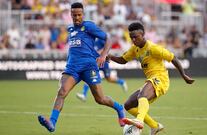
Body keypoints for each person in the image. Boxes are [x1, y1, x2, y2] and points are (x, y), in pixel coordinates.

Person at [37, 2, 125, 133]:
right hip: (72, 67)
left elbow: (108, 39)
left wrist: (103, 55)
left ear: (83, 14)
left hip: (89, 66)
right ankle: (52, 122)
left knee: (100, 99)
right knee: (61, 92)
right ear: (70, 15)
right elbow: (78, 47)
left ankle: (119, 108)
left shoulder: (88, 26)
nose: (76, 17)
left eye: (79, 15)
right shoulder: (70, 29)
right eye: (74, 15)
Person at [108, 22, 195, 135]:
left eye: (136, 37)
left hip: (161, 79)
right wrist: (110, 57)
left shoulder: (153, 48)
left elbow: (173, 58)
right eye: (131, 38)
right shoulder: (135, 49)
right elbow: (123, 60)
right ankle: (155, 126)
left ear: (143, 34)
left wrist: (183, 75)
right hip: (151, 80)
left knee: (142, 96)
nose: (134, 40)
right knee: (128, 105)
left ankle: (139, 120)